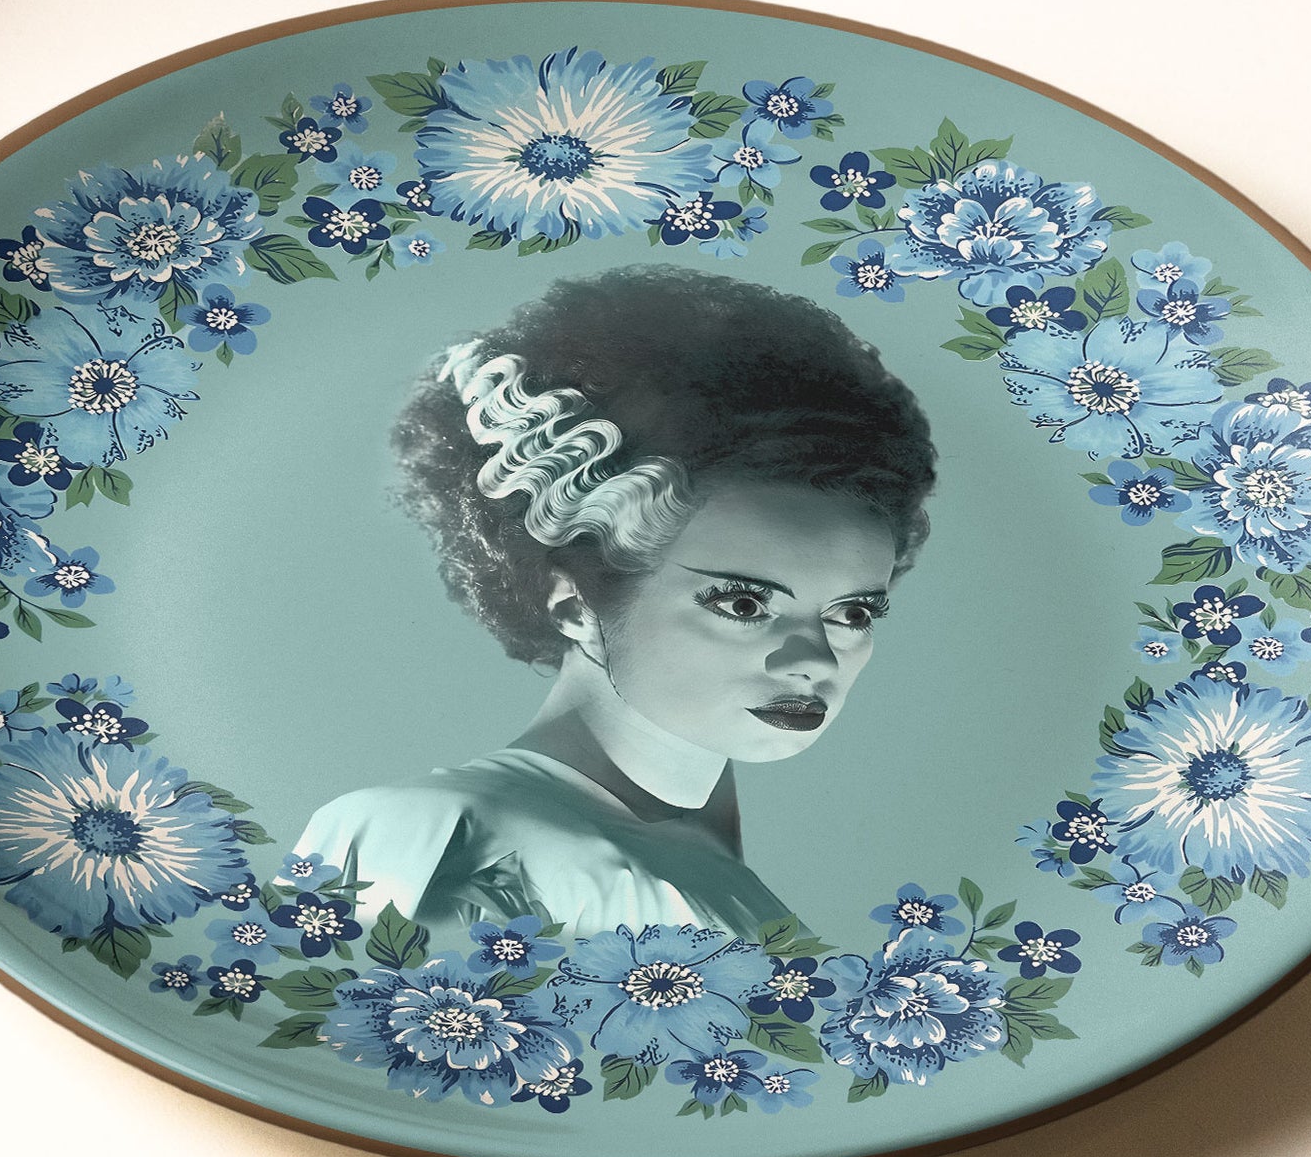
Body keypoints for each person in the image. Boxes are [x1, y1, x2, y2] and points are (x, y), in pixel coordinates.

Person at [290, 264, 938, 939]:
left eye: (852, 613)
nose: (816, 660)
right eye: (745, 606)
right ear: (574, 607)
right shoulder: (438, 836)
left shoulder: (719, 875)